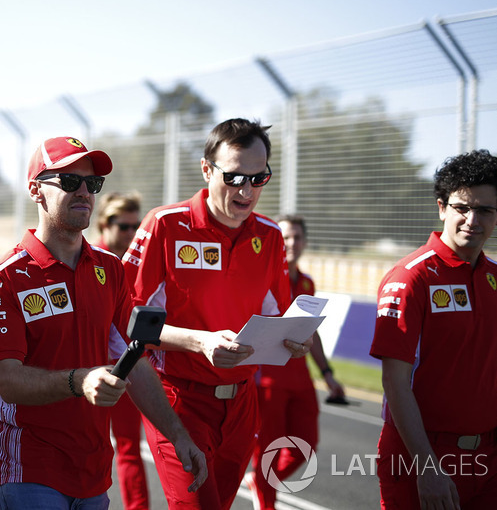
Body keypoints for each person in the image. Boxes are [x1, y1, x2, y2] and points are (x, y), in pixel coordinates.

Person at [0, 136, 207, 509]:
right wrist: (80, 381)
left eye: (92, 183)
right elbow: (8, 381)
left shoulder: (110, 269)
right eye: (70, 181)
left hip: (93, 471)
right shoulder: (3, 277)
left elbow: (136, 361)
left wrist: (178, 435)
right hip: (30, 467)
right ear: (36, 190)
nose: (84, 191)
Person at [122, 118, 313, 509]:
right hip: (177, 399)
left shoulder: (270, 235)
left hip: (242, 405)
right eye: (235, 177)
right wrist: (198, 342)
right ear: (207, 170)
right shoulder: (165, 225)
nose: (247, 190)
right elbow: (124, 318)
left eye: (259, 178)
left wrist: (297, 338)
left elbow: (276, 316)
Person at [370, 149, 497, 509]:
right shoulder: (411, 277)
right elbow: (395, 382)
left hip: (492, 459)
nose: (472, 220)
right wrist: (426, 468)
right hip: (423, 458)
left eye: (485, 210)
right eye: (462, 207)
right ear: (442, 207)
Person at [248, 215, 345, 509]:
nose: (292, 243)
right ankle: (265, 495)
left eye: (297, 237)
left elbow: (311, 333)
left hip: (300, 380)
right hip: (267, 380)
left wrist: (327, 373)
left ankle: (261, 482)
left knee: (305, 447)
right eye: (285, 237)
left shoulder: (306, 282)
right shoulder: (259, 278)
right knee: (267, 453)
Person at [94, 192, 149, 510]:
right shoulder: (86, 258)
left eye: (136, 226)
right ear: (105, 224)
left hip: (127, 364)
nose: (130, 233)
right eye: (123, 226)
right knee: (84, 444)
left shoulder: (137, 262)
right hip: (86, 366)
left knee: (129, 447)